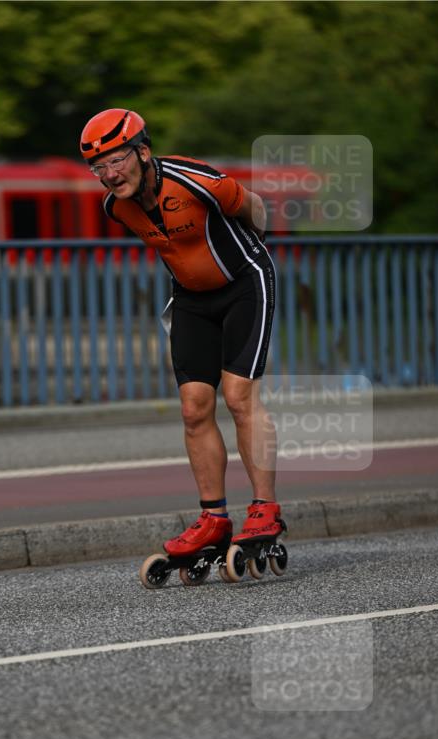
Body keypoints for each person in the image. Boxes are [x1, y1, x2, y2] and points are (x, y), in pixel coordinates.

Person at [79, 108, 283, 556]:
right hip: (191, 299)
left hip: (244, 283)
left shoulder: (195, 180)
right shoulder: (116, 207)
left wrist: (249, 251)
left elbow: (256, 208)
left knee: (238, 396)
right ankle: (213, 518)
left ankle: (265, 508)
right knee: (194, 408)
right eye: (99, 167)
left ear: (142, 152)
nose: (110, 175)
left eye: (117, 160)